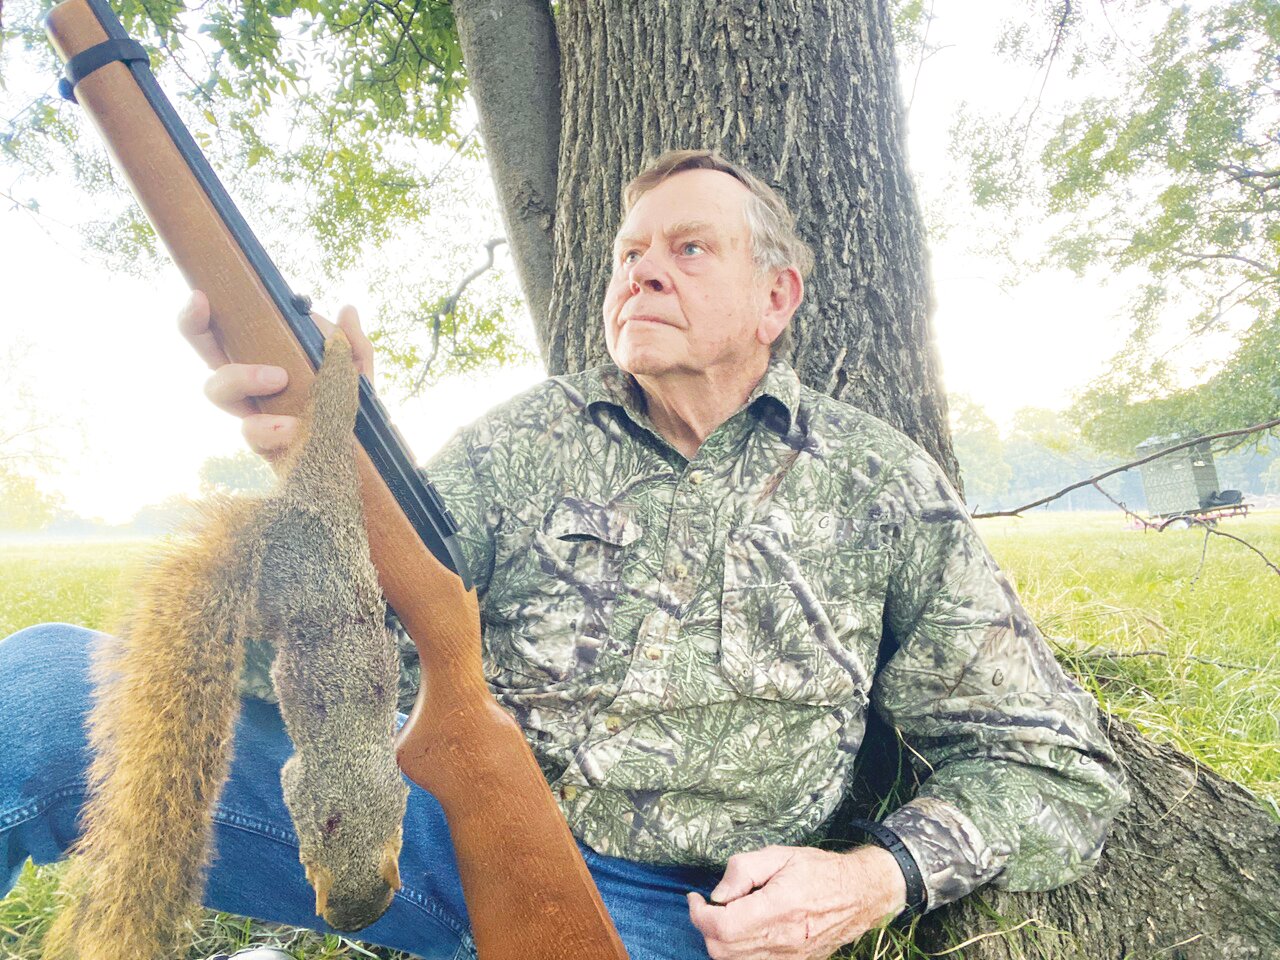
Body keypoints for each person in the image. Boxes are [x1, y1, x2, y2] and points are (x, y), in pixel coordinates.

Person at [0, 150, 1127, 960]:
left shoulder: (883, 486)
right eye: (629, 252)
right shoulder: (521, 440)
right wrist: (322, 477)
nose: (642, 271)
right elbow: (363, 642)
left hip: (680, 918)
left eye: (687, 249)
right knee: (41, 686)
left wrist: (868, 877)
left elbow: (1054, 767)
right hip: (434, 834)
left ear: (774, 296)